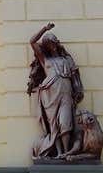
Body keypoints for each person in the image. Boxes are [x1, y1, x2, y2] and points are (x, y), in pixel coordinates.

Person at [28, 22, 84, 158]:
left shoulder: (67, 59)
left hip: (66, 94)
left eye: (52, 43)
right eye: (48, 45)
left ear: (56, 43)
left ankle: (66, 152)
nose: (51, 46)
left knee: (65, 122)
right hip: (50, 97)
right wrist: (45, 29)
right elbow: (32, 41)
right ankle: (58, 153)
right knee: (54, 125)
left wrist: (78, 89)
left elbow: (75, 77)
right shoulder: (45, 60)